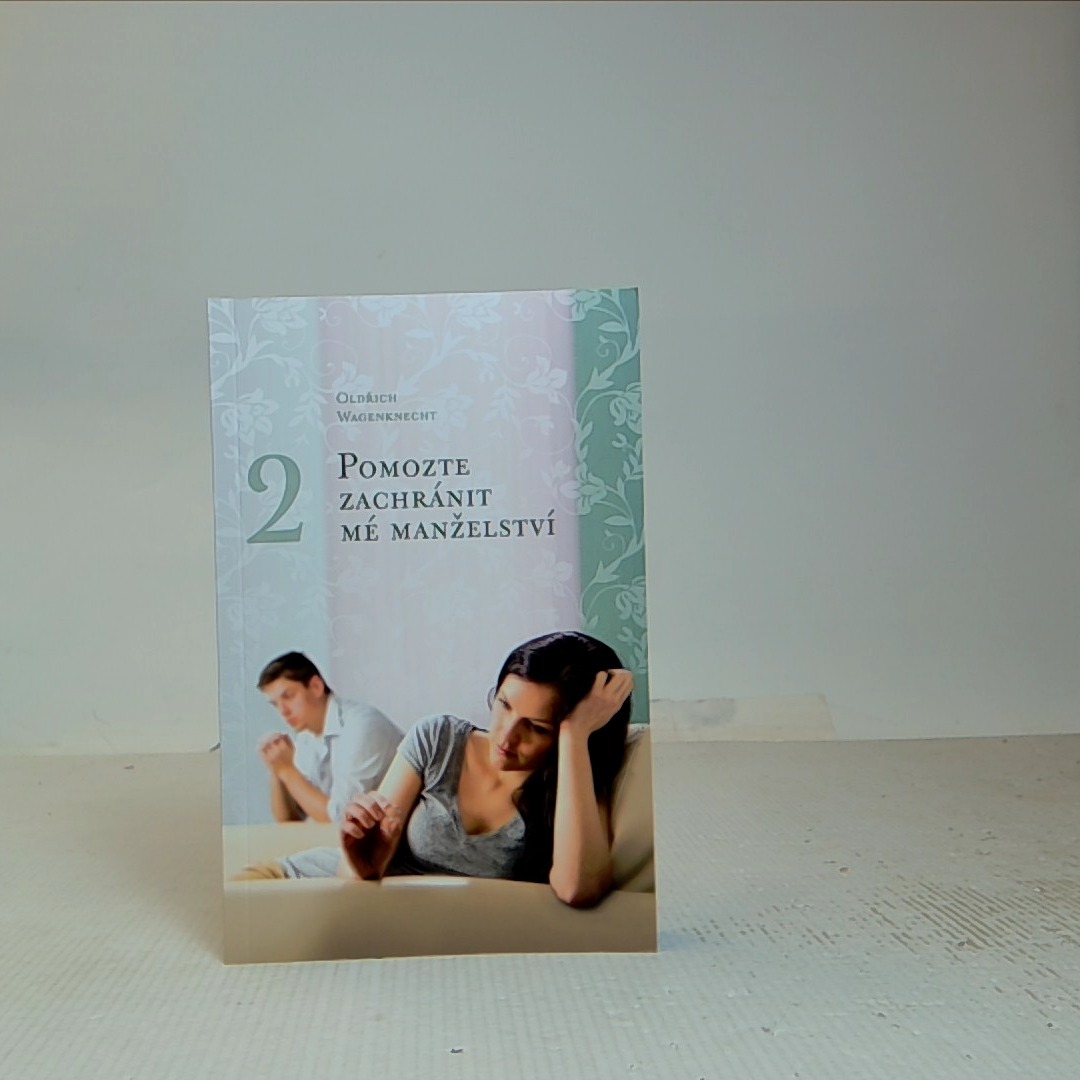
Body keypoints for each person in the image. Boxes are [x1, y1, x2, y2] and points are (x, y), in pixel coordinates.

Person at [339, 631, 633, 907]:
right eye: (504, 704)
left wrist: (575, 733)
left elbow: (577, 888)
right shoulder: (438, 739)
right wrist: (363, 868)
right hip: (380, 909)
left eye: (536, 727)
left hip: (466, 931)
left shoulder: (573, 784)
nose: (506, 736)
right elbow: (352, 875)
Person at [256, 651, 402, 824]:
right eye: (275, 704)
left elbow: (342, 819)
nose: (283, 711)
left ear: (316, 687)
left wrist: (287, 771)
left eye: (288, 696)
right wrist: (277, 769)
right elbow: (289, 819)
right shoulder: (305, 738)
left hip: (401, 835)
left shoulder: (361, 726)